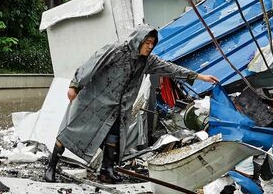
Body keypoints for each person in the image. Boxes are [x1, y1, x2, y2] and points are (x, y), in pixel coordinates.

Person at [45, 24, 219, 183]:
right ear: (139, 40)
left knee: (114, 137)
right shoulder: (118, 50)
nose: (150, 46)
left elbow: (170, 68)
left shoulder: (148, 61)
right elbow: (93, 63)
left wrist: (200, 76)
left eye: (153, 43)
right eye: (147, 42)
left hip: (117, 108)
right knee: (71, 132)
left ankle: (107, 171)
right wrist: (75, 85)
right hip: (94, 102)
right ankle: (51, 166)